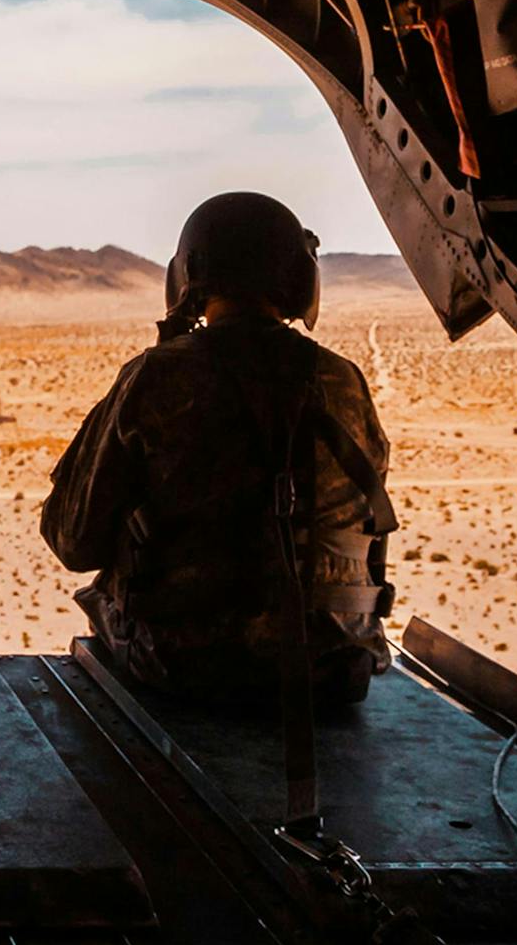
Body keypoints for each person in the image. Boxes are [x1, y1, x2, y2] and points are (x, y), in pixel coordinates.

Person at [42, 192, 396, 705]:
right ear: (299, 279)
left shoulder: (157, 377)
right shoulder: (343, 380)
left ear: (186, 278)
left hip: (183, 666)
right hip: (330, 666)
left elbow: (74, 541)